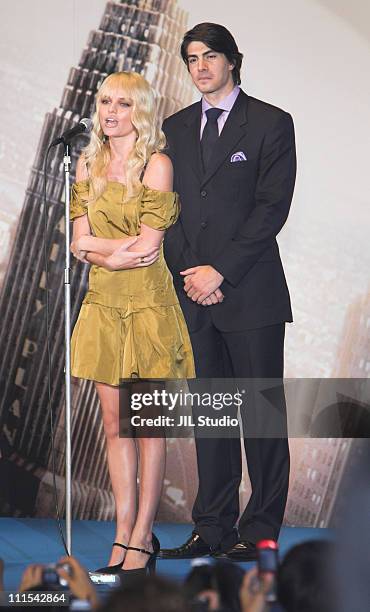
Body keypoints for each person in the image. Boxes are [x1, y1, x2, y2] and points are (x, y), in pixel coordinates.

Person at [160, 23, 296, 561]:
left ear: (232, 61)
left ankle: (258, 532)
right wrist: (193, 272)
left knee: (261, 419)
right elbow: (168, 211)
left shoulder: (270, 123)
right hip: (195, 293)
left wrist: (221, 271)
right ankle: (211, 528)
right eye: (191, 58)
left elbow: (271, 209)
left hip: (251, 293)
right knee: (212, 420)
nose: (200, 66)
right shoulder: (173, 127)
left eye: (210, 56)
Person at [69, 71, 195, 576]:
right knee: (115, 423)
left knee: (147, 427)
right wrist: (110, 255)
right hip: (102, 304)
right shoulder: (85, 162)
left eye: (122, 103)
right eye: (104, 102)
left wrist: (103, 251)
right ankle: (121, 534)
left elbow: (149, 247)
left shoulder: (157, 165)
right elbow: (78, 241)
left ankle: (143, 538)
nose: (111, 111)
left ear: (139, 110)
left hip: (148, 308)